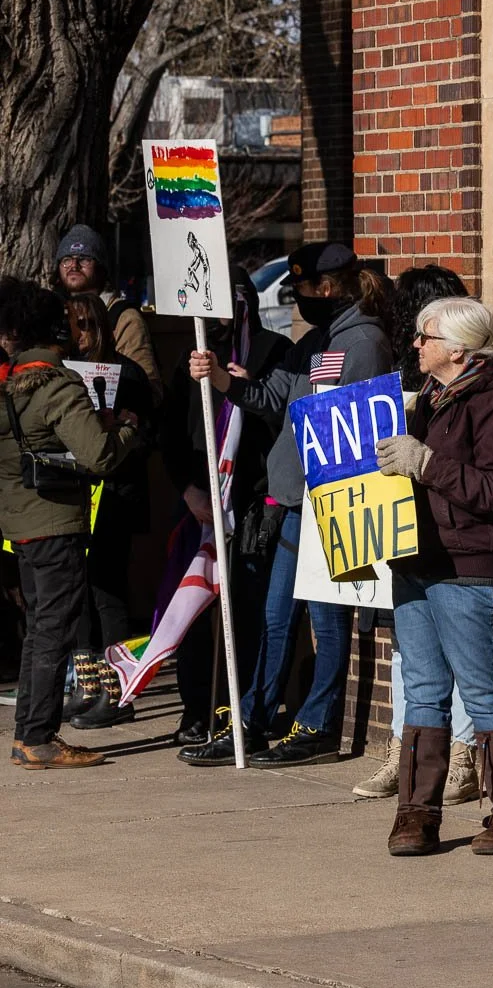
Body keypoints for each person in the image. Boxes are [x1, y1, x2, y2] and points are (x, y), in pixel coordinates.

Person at [179, 243, 393, 767]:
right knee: (277, 617)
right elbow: (276, 397)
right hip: (297, 501)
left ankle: (318, 725)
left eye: (301, 289)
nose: (297, 299)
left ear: (327, 288)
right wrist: (222, 379)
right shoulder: (317, 340)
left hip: (333, 501)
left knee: (326, 619)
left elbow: (356, 425)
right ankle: (251, 720)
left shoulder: (362, 341)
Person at [374, 296, 493, 856]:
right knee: (421, 691)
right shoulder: (436, 397)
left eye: (427, 336)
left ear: (460, 350)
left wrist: (424, 463)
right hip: (418, 558)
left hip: (468, 565)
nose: (417, 344)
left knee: (484, 692)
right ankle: (416, 814)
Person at [353, 265, 480, 807]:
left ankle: (462, 753)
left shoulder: (483, 391)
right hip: (411, 534)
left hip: (458, 540)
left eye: (423, 330)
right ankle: (405, 752)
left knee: (469, 659)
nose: (411, 338)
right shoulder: (418, 380)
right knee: (411, 651)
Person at [0, 283, 141, 769]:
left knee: (38, 630)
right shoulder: (56, 384)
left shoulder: (8, 383)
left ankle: (27, 735)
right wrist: (126, 427)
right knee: (54, 631)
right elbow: (99, 455)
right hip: (56, 523)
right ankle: (39, 738)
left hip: (19, 525)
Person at [162, 266, 292, 745]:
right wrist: (188, 490)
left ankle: (239, 707)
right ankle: (196, 708)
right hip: (201, 499)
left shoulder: (273, 351)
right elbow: (172, 435)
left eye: (228, 303)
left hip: (253, 498)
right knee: (196, 608)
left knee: (248, 608)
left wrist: (244, 384)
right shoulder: (191, 357)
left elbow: (279, 415)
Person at [53, 292, 154, 729]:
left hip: (115, 491)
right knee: (78, 588)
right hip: (75, 489)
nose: (80, 335)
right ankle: (88, 685)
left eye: (86, 325)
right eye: (72, 326)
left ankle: (116, 692)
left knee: (108, 590)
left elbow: (150, 432)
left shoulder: (127, 373)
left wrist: (124, 426)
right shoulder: (63, 372)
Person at [53, 225, 163, 404]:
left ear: (101, 267)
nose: (74, 265)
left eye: (84, 259)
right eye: (66, 259)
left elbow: (150, 390)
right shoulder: (54, 314)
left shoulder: (124, 317)